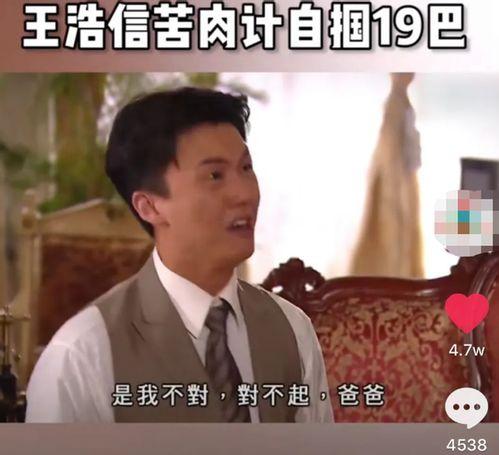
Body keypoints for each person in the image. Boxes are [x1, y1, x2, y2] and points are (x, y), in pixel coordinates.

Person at [26, 87, 334, 423]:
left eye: (246, 168)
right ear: (150, 206)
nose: (244, 194)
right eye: (215, 175)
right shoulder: (83, 355)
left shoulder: (291, 329)